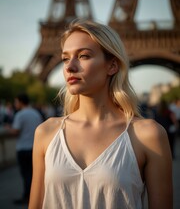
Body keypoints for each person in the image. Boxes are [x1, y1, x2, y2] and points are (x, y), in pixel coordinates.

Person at [29, 19, 173, 209]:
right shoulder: (45, 132)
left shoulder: (148, 135)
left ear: (112, 66)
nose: (69, 66)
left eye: (84, 56)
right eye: (65, 58)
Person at [6, 93, 43, 205]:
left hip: (23, 148)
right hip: (34, 148)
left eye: (16, 102)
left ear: (21, 102)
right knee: (33, 175)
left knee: (26, 175)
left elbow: (16, 131)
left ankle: (27, 197)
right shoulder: (36, 113)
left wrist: (8, 128)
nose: (15, 104)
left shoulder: (20, 115)